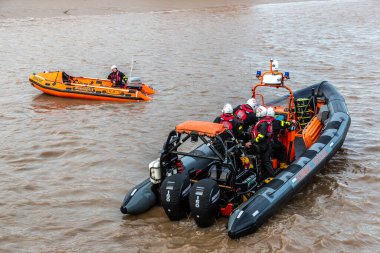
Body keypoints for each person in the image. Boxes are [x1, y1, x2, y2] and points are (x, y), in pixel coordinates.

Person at [246, 106, 275, 178]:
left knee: (266, 161)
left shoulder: (263, 124)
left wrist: (251, 142)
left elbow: (261, 137)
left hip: (263, 145)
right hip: (264, 144)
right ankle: (261, 173)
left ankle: (271, 176)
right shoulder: (263, 122)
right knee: (264, 160)